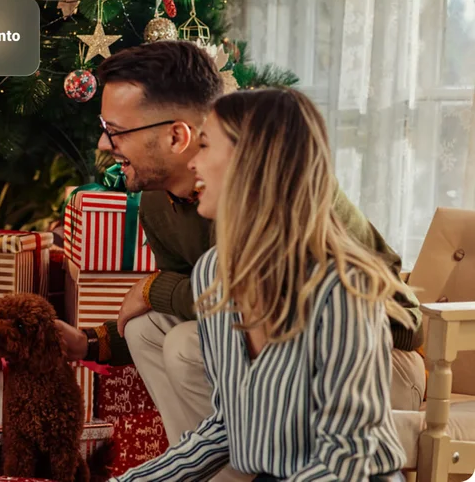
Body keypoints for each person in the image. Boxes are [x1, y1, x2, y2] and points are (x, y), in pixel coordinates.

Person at [54, 40, 425, 481]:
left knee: (186, 344)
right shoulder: (207, 263)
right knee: (156, 331)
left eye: (207, 147)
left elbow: (349, 458)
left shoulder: (335, 283)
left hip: (367, 402)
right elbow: (222, 428)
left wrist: (157, 288)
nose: (197, 166)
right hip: (273, 442)